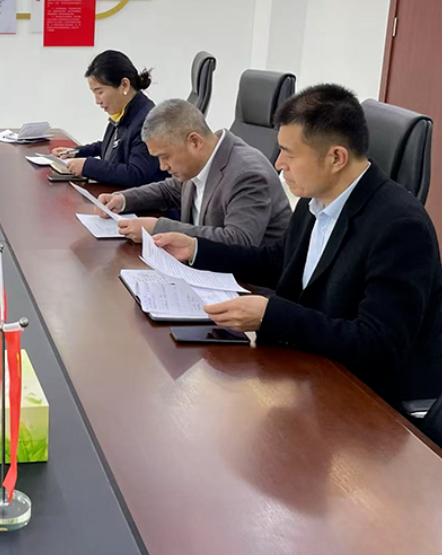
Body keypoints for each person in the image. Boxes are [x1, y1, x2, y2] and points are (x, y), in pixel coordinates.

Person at [153, 84, 442, 406]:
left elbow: (378, 345)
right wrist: (197, 249)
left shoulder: (400, 227)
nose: (278, 163)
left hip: (372, 400)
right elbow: (278, 262)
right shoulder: (315, 199)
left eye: (289, 153)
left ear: (336, 157)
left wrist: (272, 316)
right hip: (313, 367)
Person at [98, 98, 291, 245]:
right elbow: (170, 190)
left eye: (165, 156)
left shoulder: (247, 175)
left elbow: (238, 240)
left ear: (195, 142)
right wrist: (123, 199)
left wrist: (159, 228)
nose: (162, 167)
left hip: (245, 281)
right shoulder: (201, 160)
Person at [51, 50, 168, 187]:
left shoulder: (147, 121)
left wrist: (88, 166)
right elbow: (114, 146)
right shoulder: (124, 111)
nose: (97, 101)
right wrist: (76, 152)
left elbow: (136, 174)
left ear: (124, 85)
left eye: (100, 92)